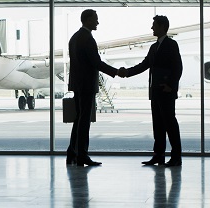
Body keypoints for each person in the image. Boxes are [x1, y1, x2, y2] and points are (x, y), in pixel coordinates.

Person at [118, 15, 183, 167]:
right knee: (158, 125)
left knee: (170, 125)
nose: (152, 28)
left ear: (162, 27)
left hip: (166, 91)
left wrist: (171, 86)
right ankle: (158, 155)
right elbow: (144, 65)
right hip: (155, 92)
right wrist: (127, 72)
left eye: (154, 25)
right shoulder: (154, 47)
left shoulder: (171, 44)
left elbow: (178, 67)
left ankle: (176, 157)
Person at [67, 9, 118, 166]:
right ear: (87, 20)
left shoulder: (74, 38)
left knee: (78, 119)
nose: (97, 22)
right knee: (84, 121)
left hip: (77, 84)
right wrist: (115, 71)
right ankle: (82, 155)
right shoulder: (88, 39)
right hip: (87, 85)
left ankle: (72, 153)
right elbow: (96, 63)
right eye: (95, 19)